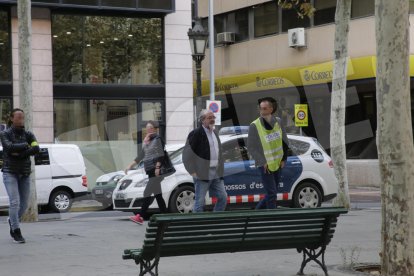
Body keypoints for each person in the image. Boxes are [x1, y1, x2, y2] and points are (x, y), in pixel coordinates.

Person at [0, 108, 39, 243]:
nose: (21, 119)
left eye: (22, 117)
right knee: (14, 202)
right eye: (18, 117)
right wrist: (26, 146)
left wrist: (21, 152)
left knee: (24, 205)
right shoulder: (4, 133)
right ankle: (16, 231)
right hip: (10, 172)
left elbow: (36, 148)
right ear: (12, 119)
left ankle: (12, 220)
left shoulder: (29, 134)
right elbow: (9, 147)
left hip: (25, 173)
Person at [248, 97, 289, 209]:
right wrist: (262, 161)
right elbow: (251, 147)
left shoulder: (279, 122)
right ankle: (272, 220)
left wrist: (284, 159)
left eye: (265, 109)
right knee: (272, 193)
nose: (262, 111)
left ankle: (256, 215)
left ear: (271, 109)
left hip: (278, 162)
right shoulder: (254, 126)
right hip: (265, 165)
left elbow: (285, 141)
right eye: (260, 109)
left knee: (272, 192)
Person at [182, 109, 227, 212]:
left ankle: (215, 221)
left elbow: (219, 152)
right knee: (200, 202)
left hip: (216, 172)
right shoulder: (196, 133)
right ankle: (197, 225)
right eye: (209, 118)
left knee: (223, 197)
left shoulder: (215, 133)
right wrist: (192, 172)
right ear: (202, 120)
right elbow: (186, 155)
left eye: (213, 117)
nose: (212, 119)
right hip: (202, 173)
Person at [126, 121, 167, 224]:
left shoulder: (158, 139)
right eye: (147, 128)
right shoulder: (147, 141)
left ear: (155, 129)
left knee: (147, 192)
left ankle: (140, 216)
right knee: (158, 195)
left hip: (156, 171)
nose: (148, 129)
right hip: (150, 171)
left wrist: (158, 167)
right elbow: (141, 155)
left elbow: (161, 154)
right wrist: (130, 165)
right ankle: (166, 216)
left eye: (150, 128)